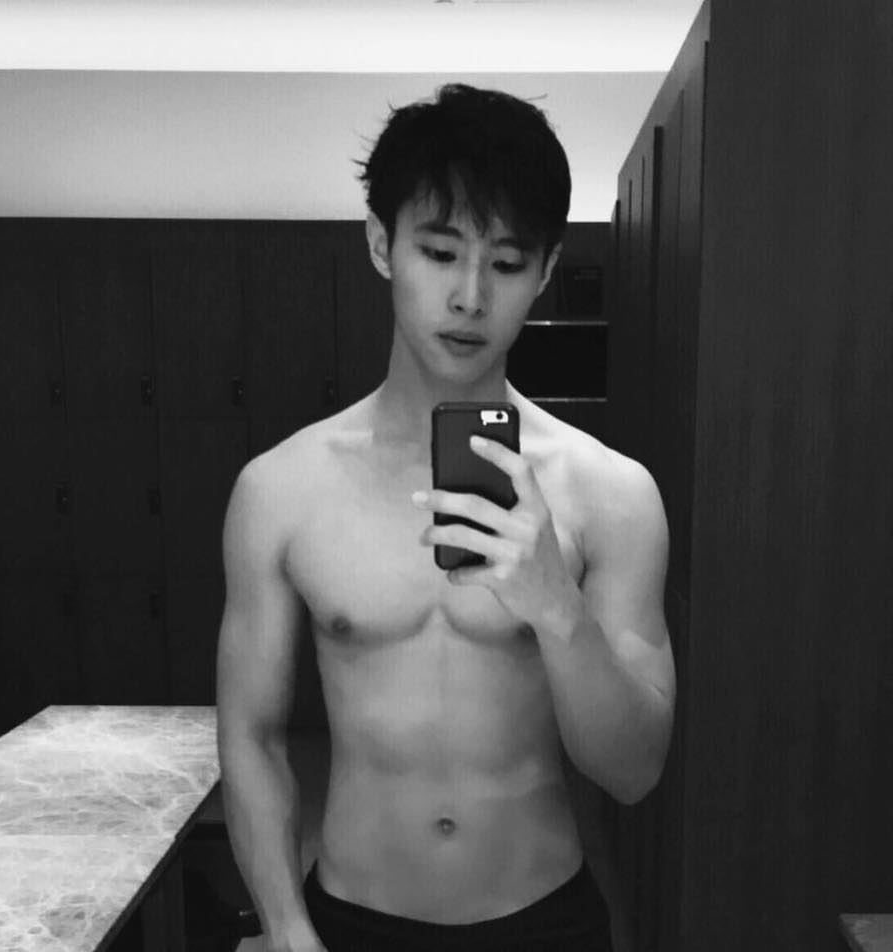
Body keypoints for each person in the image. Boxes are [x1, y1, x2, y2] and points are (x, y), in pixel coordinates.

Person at [216, 83, 675, 952]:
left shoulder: (611, 493)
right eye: (439, 252)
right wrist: (285, 927)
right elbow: (251, 734)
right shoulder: (281, 490)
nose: (469, 296)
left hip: (543, 923)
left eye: (506, 264)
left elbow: (634, 770)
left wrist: (557, 608)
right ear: (381, 245)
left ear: (545, 272)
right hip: (349, 922)